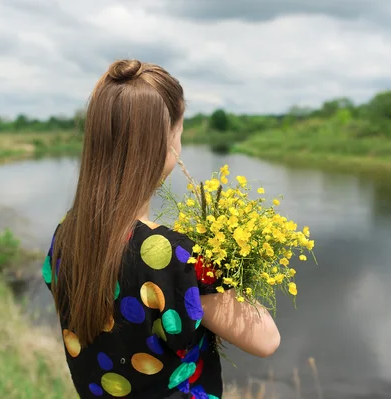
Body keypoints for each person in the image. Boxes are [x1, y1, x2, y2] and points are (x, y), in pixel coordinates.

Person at [42, 59, 281, 399]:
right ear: (167, 143)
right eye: (179, 132)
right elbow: (266, 339)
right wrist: (219, 265)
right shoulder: (171, 255)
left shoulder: (66, 235)